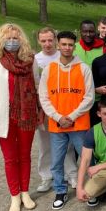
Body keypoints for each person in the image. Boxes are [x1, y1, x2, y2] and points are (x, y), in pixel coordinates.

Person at [0, 23, 40, 211]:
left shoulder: (30, 61)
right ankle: (14, 195)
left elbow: (38, 89)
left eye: (16, 38)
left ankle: (25, 193)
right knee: (10, 159)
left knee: (25, 156)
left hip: (27, 117)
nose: (12, 41)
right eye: (8, 38)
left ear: (21, 40)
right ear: (1, 40)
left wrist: (39, 112)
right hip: (4, 118)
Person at [39, 31, 95, 210]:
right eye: (63, 44)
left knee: (87, 160)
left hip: (78, 124)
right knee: (56, 161)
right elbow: (44, 97)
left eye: (70, 45)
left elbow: (89, 97)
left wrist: (71, 117)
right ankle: (60, 191)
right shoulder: (49, 69)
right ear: (57, 45)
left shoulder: (84, 68)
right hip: (57, 125)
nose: (67, 48)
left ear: (75, 46)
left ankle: (91, 189)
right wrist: (57, 117)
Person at [34, 27, 78, 192]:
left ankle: (71, 174)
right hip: (44, 109)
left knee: (67, 146)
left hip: (65, 109)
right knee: (45, 145)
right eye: (43, 40)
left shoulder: (65, 57)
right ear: (39, 41)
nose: (47, 44)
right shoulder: (36, 60)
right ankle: (47, 176)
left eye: (50, 40)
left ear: (56, 41)